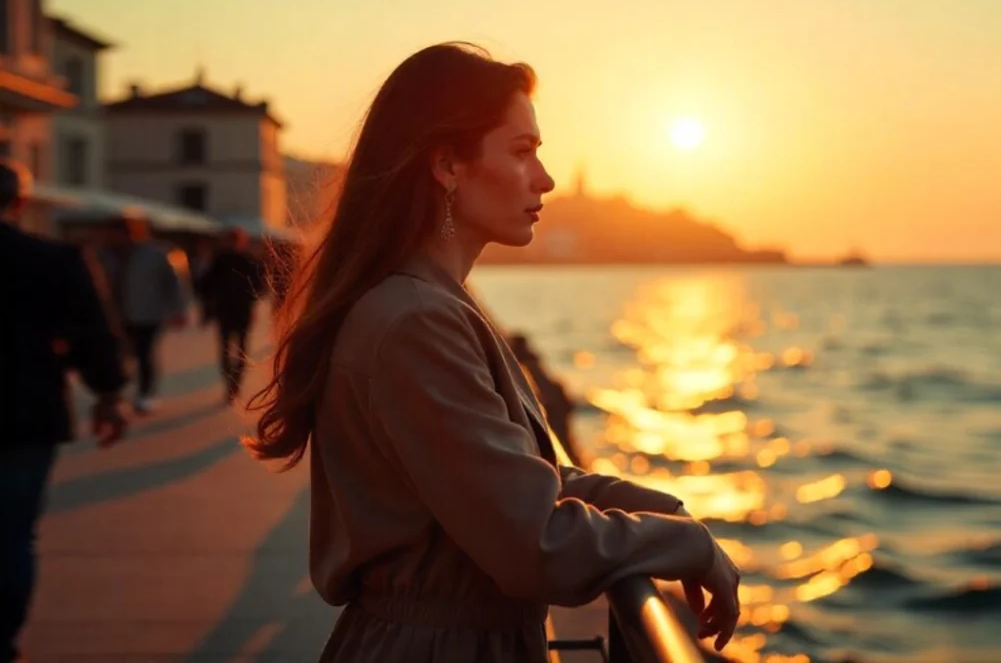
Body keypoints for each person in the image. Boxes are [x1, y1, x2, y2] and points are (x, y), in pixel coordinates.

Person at [243, 43, 740, 662]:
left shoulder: (426, 303)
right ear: (448, 165)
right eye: (522, 151)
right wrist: (683, 546)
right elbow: (533, 543)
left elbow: (517, 482)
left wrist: (668, 512)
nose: (546, 178)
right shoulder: (416, 321)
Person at [0, 160, 129, 663]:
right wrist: (109, 394)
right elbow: (90, 333)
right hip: (26, 412)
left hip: (27, 413)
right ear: (20, 202)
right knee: (12, 533)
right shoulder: (52, 260)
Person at [98, 216, 190, 413]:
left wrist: (177, 310)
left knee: (144, 353)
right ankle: (119, 392)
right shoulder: (104, 254)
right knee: (119, 354)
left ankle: (145, 393)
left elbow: (173, 284)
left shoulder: (155, 253)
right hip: (115, 315)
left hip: (148, 313)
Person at [198, 227, 266, 403]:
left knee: (229, 348)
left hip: (229, 310)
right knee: (236, 349)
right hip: (236, 310)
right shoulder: (242, 260)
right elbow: (261, 287)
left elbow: (204, 285)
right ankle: (233, 384)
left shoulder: (222, 260)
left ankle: (232, 384)